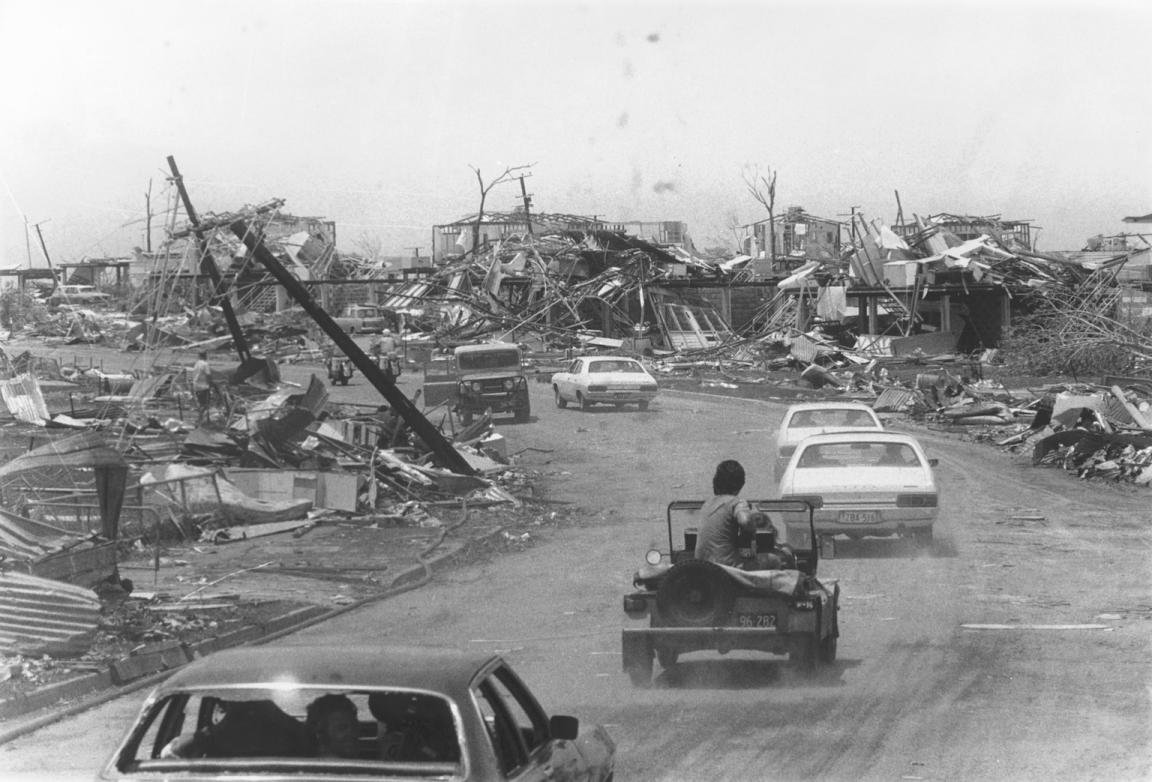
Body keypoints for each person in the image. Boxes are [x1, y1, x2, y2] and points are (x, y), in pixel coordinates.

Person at [693, 460, 771, 569]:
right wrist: (752, 530)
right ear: (740, 483)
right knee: (774, 560)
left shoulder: (707, 504)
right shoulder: (736, 502)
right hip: (727, 568)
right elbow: (745, 520)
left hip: (701, 566)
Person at [306, 693, 360, 758]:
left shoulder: (363, 765)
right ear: (320, 733)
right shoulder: (308, 767)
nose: (352, 734)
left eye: (355, 727)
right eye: (341, 728)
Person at [191, 351, 213, 424]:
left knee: (201, 403)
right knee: (205, 404)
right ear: (205, 356)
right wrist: (210, 383)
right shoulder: (205, 364)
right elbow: (208, 374)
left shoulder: (197, 364)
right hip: (204, 386)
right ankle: (200, 419)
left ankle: (202, 419)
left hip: (196, 386)